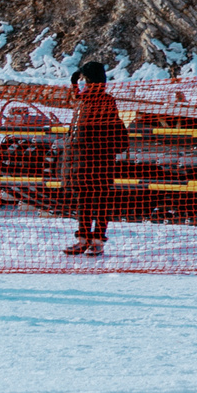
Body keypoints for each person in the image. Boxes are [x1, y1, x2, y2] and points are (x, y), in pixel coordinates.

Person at [58, 60, 130, 256]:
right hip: (88, 160)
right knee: (90, 199)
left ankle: (94, 240)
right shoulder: (85, 100)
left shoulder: (96, 101)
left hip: (94, 158)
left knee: (95, 199)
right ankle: (88, 239)